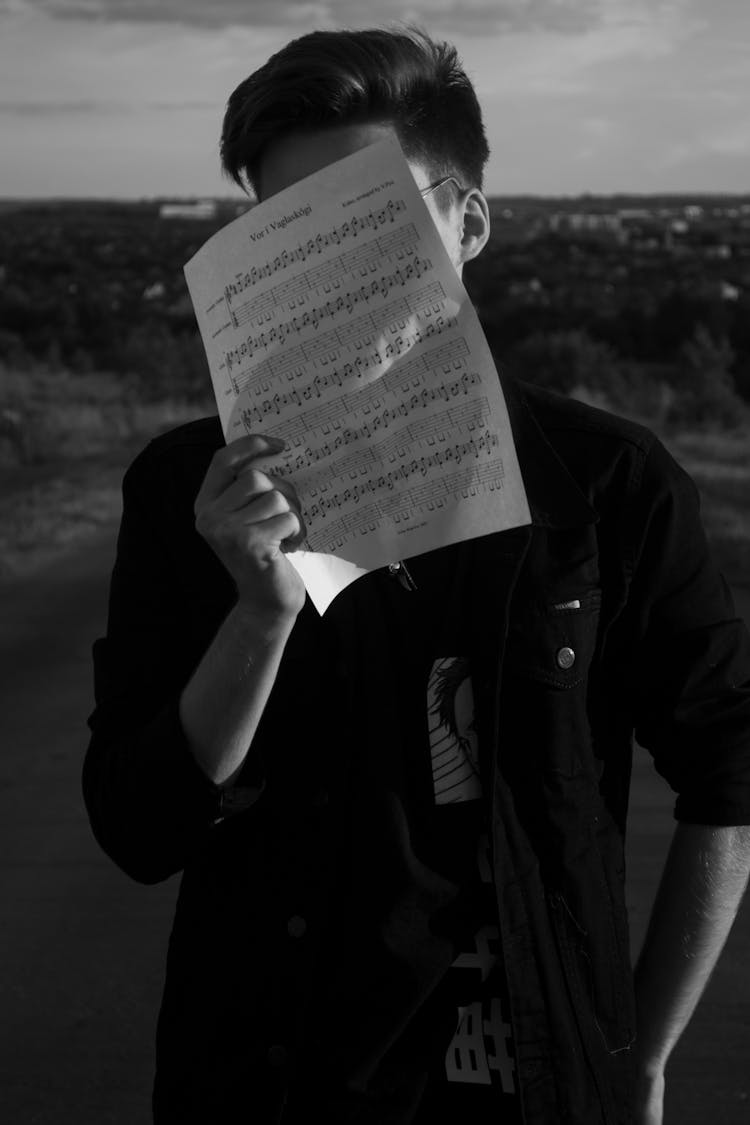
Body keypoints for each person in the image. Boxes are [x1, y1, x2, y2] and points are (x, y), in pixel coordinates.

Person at [82, 26, 750, 1125]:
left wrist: (637, 1050)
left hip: (532, 1085)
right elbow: (139, 831)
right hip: (261, 1085)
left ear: (465, 222)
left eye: (364, 217)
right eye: (282, 230)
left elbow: (728, 773)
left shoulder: (608, 486)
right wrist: (260, 610)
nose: (323, 265)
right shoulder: (181, 493)